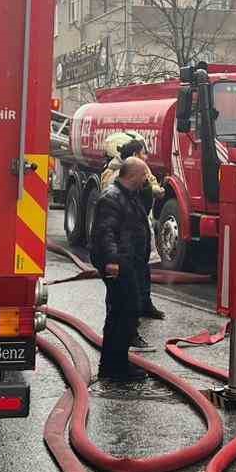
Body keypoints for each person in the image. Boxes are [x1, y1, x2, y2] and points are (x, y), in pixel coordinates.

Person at [90, 156, 153, 382]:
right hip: (120, 264)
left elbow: (143, 212)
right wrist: (112, 261)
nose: (147, 179)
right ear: (133, 175)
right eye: (144, 175)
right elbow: (105, 232)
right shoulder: (112, 198)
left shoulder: (129, 196)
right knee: (123, 312)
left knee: (125, 312)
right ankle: (114, 367)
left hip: (129, 262)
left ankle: (115, 363)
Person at [98, 131, 167, 327]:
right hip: (123, 251)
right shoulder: (113, 192)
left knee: (140, 279)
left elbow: (143, 208)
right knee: (121, 295)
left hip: (134, 247)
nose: (147, 158)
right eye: (144, 153)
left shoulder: (136, 181)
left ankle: (140, 312)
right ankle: (124, 329)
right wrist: (112, 259)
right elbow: (107, 230)